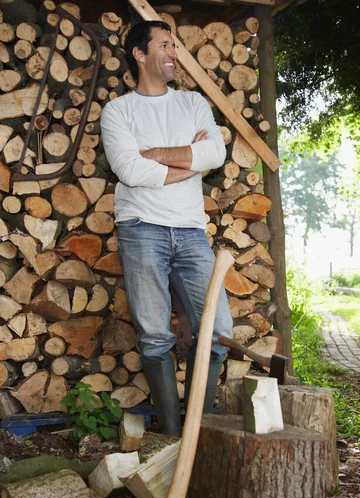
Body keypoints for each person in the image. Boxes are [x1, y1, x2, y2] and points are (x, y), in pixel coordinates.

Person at [100, 20, 233, 436]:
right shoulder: (118, 111)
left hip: (191, 230)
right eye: (165, 45)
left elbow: (214, 152)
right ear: (140, 54)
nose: (174, 53)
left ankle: (197, 429)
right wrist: (188, 163)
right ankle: (175, 438)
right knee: (156, 335)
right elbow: (128, 169)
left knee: (219, 330)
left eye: (174, 45)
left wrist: (156, 154)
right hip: (141, 228)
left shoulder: (192, 103)